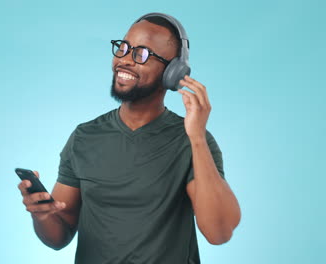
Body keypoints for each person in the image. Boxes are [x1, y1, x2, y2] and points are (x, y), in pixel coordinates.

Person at [17, 13, 241, 264]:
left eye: (142, 54)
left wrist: (197, 137)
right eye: (124, 48)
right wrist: (42, 215)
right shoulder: (84, 137)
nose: (124, 60)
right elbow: (58, 237)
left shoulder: (190, 141)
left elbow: (219, 232)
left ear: (172, 72)